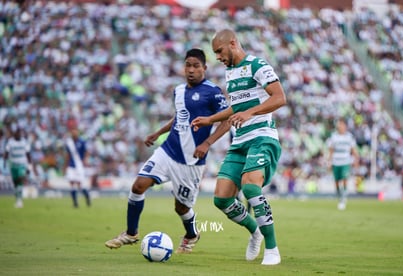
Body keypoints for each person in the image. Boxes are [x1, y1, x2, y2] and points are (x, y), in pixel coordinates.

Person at [105, 48, 230, 253]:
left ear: (204, 68)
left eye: (196, 66)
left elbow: (226, 121)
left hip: (190, 162)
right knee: (138, 186)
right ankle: (131, 233)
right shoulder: (178, 90)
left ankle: (191, 234)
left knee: (181, 208)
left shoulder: (213, 92)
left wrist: (207, 143)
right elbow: (180, 117)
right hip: (168, 151)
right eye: (187, 65)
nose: (191, 70)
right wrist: (157, 133)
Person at [191, 29, 287, 265]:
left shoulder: (257, 65)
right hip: (240, 141)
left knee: (251, 187)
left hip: (262, 137)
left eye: (219, 51)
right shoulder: (231, 72)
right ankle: (255, 232)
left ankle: (272, 249)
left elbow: (279, 98)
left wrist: (250, 112)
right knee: (221, 199)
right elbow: (236, 108)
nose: (218, 57)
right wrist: (210, 120)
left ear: (232, 43)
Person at [327, 118, 359, 210]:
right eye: (339, 124)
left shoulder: (349, 137)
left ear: (345, 126)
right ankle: (340, 197)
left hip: (345, 161)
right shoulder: (334, 136)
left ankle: (343, 199)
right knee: (337, 182)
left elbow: (353, 150)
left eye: (341, 124)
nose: (339, 126)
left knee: (345, 179)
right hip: (336, 162)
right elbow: (331, 150)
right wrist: (329, 162)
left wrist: (356, 160)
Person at [4, 127, 37, 208]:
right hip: (13, 165)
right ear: (15, 133)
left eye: (20, 133)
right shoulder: (10, 142)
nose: (19, 134)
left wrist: (29, 167)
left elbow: (28, 155)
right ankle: (17, 197)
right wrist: (5, 162)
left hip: (22, 164)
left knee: (20, 179)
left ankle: (19, 200)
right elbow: (7, 152)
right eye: (18, 133)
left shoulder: (24, 142)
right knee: (15, 182)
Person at [64, 126, 91, 208]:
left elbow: (86, 152)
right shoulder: (69, 143)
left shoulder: (82, 141)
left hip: (79, 165)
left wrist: (85, 160)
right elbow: (68, 155)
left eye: (75, 131)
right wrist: (65, 165)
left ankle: (87, 197)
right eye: (72, 131)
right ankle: (75, 203)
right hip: (71, 166)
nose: (74, 133)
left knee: (80, 184)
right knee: (72, 183)